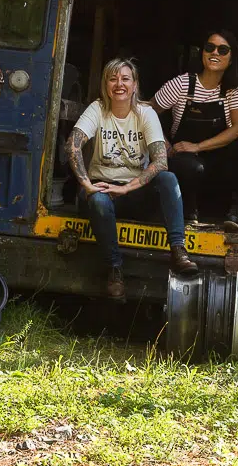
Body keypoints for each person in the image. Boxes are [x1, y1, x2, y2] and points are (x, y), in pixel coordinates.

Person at [66, 58, 198, 300]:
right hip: (103, 190)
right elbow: (73, 145)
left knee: (168, 179)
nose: (119, 84)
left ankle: (178, 250)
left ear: (135, 85)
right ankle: (114, 269)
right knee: (97, 202)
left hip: (135, 190)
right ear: (105, 84)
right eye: (113, 79)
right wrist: (86, 184)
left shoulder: (145, 113)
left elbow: (160, 161)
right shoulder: (97, 109)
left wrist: (127, 188)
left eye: (125, 79)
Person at [151, 30, 238, 231]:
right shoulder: (182, 84)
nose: (215, 53)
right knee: (189, 167)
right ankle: (189, 210)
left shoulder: (235, 88)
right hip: (187, 162)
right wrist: (166, 145)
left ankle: (236, 210)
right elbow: (148, 113)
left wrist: (198, 146)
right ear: (202, 53)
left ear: (231, 59)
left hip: (221, 161)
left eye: (222, 50)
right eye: (209, 48)